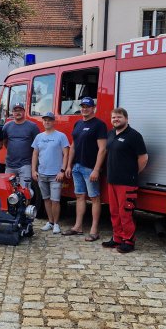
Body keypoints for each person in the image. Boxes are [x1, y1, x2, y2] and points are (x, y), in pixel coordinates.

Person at [102, 107, 148, 253]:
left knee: (125, 212)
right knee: (114, 211)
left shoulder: (134, 136)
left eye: (119, 117)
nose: (116, 120)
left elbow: (143, 158)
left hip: (127, 182)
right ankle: (117, 239)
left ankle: (129, 241)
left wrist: (133, 173)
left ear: (126, 119)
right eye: (113, 117)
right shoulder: (110, 134)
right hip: (112, 180)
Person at [63, 97, 108, 240]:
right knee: (79, 196)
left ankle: (94, 230)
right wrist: (69, 165)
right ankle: (78, 227)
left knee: (94, 198)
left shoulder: (99, 125)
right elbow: (73, 146)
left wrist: (96, 169)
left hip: (90, 168)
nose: (84, 109)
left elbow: (102, 149)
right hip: (76, 166)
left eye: (87, 106)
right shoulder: (77, 123)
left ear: (93, 108)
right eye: (82, 106)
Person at [31, 112, 70, 235]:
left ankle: (56, 224)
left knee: (55, 200)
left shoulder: (61, 136)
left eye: (49, 120)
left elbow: (66, 154)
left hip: (55, 175)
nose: (47, 122)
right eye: (45, 120)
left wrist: (62, 171)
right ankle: (50, 222)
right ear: (43, 122)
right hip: (42, 174)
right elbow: (35, 154)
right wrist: (33, 170)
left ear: (54, 122)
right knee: (46, 199)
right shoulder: (39, 137)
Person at [2, 102, 40, 188]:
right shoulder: (7, 126)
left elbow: (37, 147)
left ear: (24, 111)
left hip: (25, 165)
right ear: (12, 112)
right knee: (9, 191)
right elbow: (5, 142)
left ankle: (27, 202)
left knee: (25, 191)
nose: (17, 113)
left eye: (20, 110)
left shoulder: (32, 126)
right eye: (15, 111)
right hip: (10, 166)